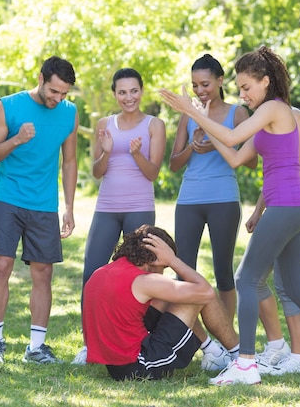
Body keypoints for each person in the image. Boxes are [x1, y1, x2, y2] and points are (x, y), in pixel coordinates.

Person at [159, 46, 300, 385]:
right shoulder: (272, 118)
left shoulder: (272, 108)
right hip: (297, 208)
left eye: (247, 87)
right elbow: (236, 155)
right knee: (295, 286)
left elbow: (235, 134)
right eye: (239, 89)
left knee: (246, 278)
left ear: (266, 81)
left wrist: (192, 112)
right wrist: (204, 130)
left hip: (287, 206)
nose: (242, 94)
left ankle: (246, 364)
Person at [0, 56, 79, 364]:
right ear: (40, 78)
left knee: (44, 273)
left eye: (64, 93)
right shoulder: (8, 106)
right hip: (8, 197)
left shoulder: (69, 113)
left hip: (44, 204)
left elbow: (71, 161)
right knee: (1, 268)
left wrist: (70, 207)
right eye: (53, 91)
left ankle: (36, 347)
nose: (58, 99)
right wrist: (17, 139)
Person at [72, 68, 166, 365]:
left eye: (134, 91)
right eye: (122, 92)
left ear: (142, 91)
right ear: (115, 94)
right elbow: (96, 172)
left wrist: (137, 154)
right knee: (92, 275)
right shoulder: (105, 124)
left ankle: (138, 342)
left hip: (139, 206)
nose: (129, 97)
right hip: (107, 208)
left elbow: (153, 173)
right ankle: (90, 346)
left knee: (141, 275)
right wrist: (107, 152)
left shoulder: (155, 125)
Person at [168, 54, 253, 371]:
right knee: (182, 272)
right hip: (189, 199)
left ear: (220, 81)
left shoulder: (238, 112)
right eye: (195, 85)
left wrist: (216, 140)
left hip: (223, 199)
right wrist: (193, 145)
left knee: (223, 272)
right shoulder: (188, 115)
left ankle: (229, 344)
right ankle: (191, 339)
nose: (200, 90)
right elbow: (174, 163)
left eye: (205, 84)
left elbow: (251, 159)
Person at [82, 224, 240, 380]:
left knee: (174, 292)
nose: (163, 272)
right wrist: (172, 260)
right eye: (163, 267)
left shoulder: (101, 272)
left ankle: (214, 353)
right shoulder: (143, 281)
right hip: (140, 366)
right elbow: (206, 292)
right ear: (153, 260)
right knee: (195, 295)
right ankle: (240, 357)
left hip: (116, 366)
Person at [251, 107, 300, 376]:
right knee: (255, 279)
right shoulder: (266, 119)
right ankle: (277, 346)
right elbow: (272, 175)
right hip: (281, 208)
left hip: (299, 208)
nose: (245, 95)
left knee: (286, 285)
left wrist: (287, 211)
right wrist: (260, 211)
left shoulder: (291, 115)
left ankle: (298, 355)